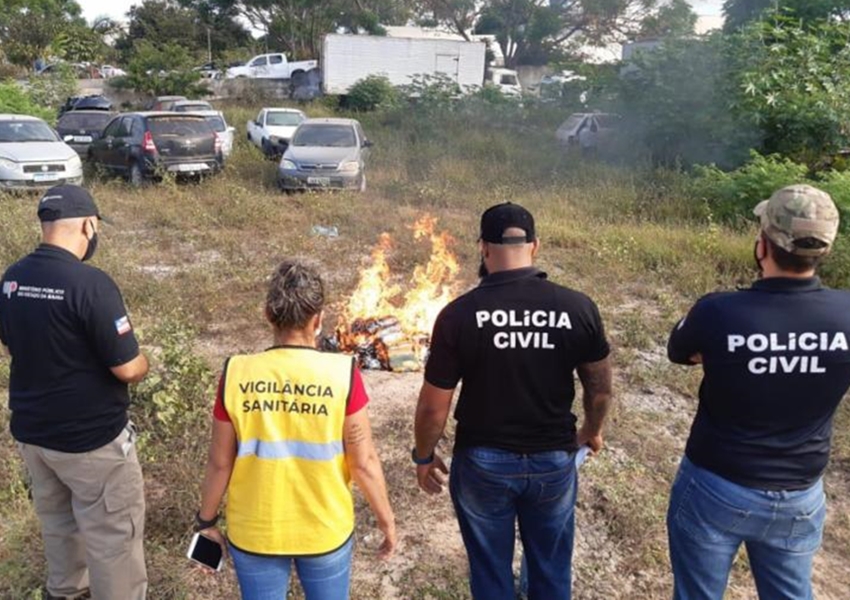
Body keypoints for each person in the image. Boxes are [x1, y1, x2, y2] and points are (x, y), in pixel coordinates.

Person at [413, 202, 613, 600]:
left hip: (483, 464)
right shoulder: (577, 307)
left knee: (490, 572)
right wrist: (592, 431)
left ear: (484, 248)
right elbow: (600, 388)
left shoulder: (458, 315)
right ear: (534, 246)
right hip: (553, 461)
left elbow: (435, 405)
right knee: (551, 568)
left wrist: (423, 455)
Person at [666, 184, 850, 600]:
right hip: (801, 493)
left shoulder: (719, 310)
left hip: (717, 485)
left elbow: (681, 351)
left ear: (762, 245)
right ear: (824, 249)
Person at [196, 261, 396, 600]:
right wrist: (386, 521)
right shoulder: (343, 373)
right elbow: (364, 463)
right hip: (324, 530)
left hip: (254, 532)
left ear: (267, 315)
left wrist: (205, 524)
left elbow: (219, 463)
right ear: (318, 320)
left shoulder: (236, 372)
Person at [0, 185, 150, 600]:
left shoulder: (13, 278)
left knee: (60, 527)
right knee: (113, 538)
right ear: (89, 224)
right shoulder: (92, 284)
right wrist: (145, 362)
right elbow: (126, 367)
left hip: (35, 437)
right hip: (92, 442)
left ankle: (65, 592)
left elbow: (10, 345)